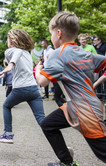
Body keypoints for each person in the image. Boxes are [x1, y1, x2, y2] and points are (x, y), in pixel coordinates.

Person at [35, 12, 106, 165]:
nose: (51, 38)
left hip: (85, 112)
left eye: (51, 34)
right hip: (81, 106)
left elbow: (42, 82)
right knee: (48, 125)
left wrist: (37, 69)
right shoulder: (86, 53)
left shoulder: (57, 54)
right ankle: (67, 162)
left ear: (58, 33)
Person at [0, 29, 45, 144]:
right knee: (42, 119)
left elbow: (16, 53)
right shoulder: (27, 53)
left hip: (21, 89)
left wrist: (10, 65)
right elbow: (19, 53)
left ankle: (8, 134)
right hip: (33, 89)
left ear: (11, 41)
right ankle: (58, 139)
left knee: (6, 106)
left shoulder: (9, 51)